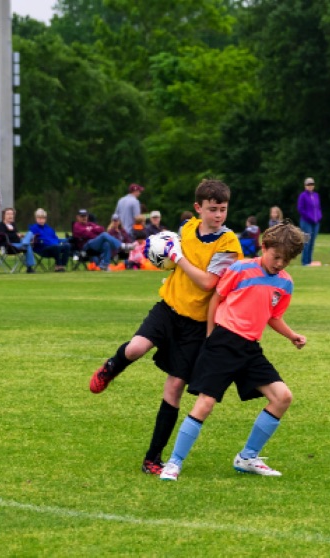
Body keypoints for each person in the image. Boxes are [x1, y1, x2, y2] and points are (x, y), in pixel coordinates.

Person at [89, 179, 243, 475]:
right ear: (198, 208)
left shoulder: (228, 244)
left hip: (196, 324)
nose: (218, 215)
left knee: (174, 388)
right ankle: (111, 367)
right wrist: (164, 256)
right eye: (212, 209)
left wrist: (177, 257)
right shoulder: (186, 229)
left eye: (223, 209)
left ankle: (152, 459)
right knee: (135, 348)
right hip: (168, 308)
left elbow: (208, 282)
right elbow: (171, 258)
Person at [160, 221, 306, 481]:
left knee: (282, 397)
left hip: (250, 349)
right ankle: (174, 462)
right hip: (223, 342)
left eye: (286, 260)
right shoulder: (240, 269)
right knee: (205, 404)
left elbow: (273, 316)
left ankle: (247, 457)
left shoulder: (285, 284)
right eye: (276, 257)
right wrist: (210, 336)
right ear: (264, 247)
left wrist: (292, 335)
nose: (280, 263)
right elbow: (216, 299)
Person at [0, 208, 36, 273]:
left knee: (30, 233)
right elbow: (2, 236)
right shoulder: (1, 225)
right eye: (8, 214)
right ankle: (29, 268)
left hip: (19, 243)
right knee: (28, 246)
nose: (10, 216)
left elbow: (17, 235)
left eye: (12, 214)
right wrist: (15, 235)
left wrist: (20, 235)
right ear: (4, 216)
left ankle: (25, 243)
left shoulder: (13, 224)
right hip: (10, 245)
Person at [297, 177, 322, 266]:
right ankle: (305, 262)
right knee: (306, 241)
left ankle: (310, 261)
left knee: (312, 242)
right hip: (306, 222)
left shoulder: (316, 195)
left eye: (312, 184)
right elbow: (300, 209)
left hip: (315, 222)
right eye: (308, 184)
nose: (310, 186)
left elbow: (318, 208)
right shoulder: (302, 196)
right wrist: (308, 217)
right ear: (305, 186)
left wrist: (319, 216)